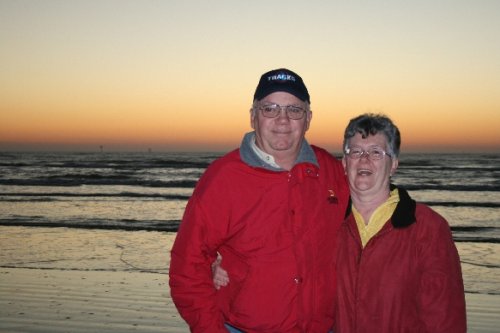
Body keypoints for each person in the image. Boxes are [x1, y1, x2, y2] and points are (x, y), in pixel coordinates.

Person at [168, 68, 349, 333]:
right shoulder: (223, 178)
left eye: (294, 110)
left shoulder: (331, 171)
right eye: (270, 109)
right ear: (253, 116)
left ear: (308, 118)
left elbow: (370, 213)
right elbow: (187, 267)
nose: (282, 119)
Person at [335, 113, 466, 332]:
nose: (364, 159)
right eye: (356, 151)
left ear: (394, 163)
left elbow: (445, 320)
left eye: (376, 152)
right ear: (345, 163)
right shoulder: (330, 225)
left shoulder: (428, 229)